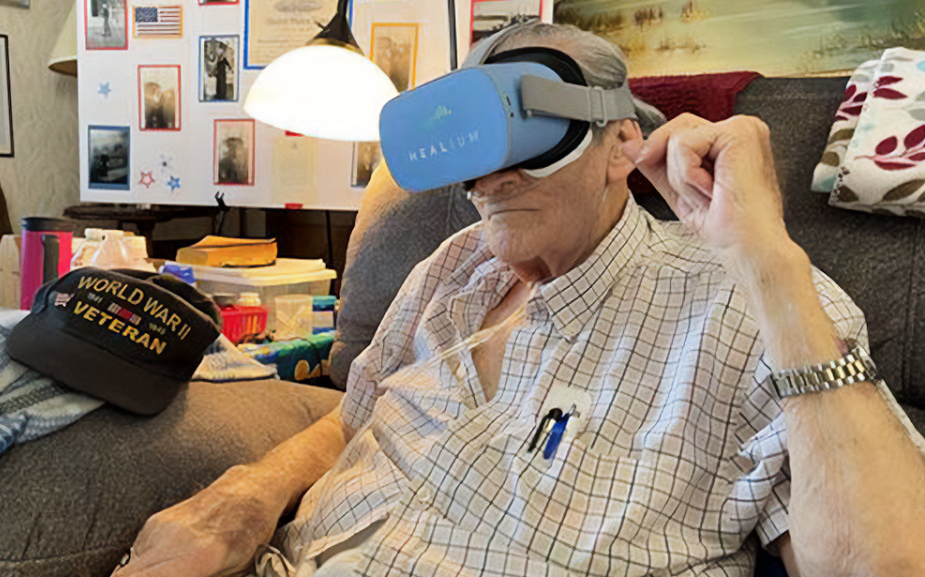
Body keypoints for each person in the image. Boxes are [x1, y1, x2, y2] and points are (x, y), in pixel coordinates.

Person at [114, 22, 925, 577]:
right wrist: (245, 495)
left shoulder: (756, 309)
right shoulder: (449, 267)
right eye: (471, 147)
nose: (488, 180)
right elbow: (351, 417)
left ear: (620, 146)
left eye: (525, 136)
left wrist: (771, 260)